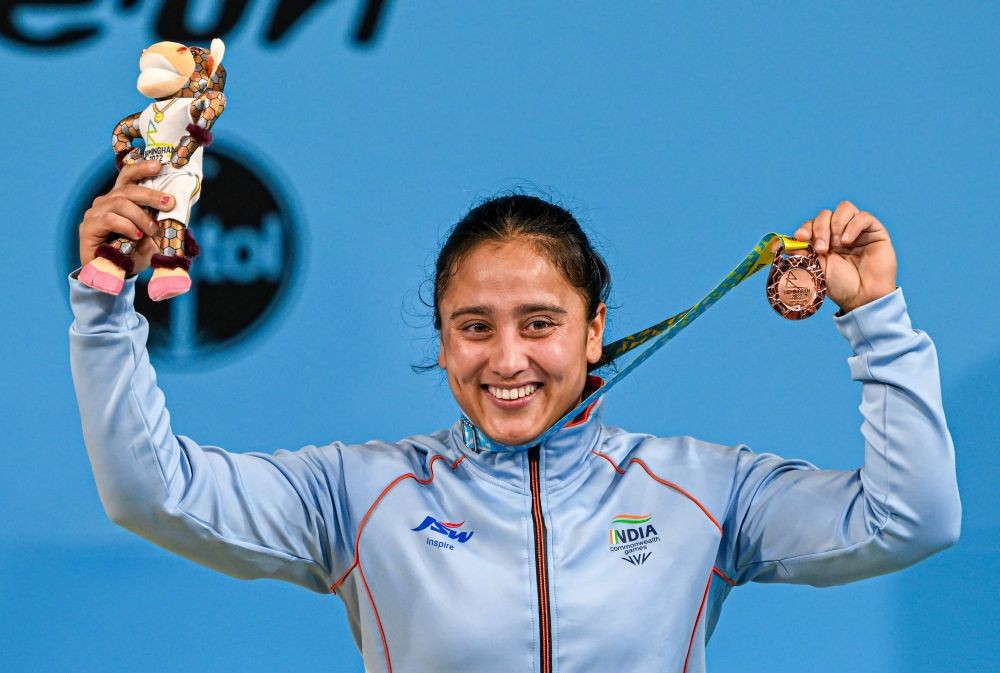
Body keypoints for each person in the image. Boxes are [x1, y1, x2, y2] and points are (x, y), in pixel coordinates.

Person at [70, 160, 961, 673]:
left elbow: (910, 520)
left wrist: (876, 319)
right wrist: (106, 308)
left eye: (540, 324)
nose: (506, 360)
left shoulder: (701, 489)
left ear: (594, 329)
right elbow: (152, 493)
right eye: (474, 327)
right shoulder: (360, 494)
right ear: (443, 340)